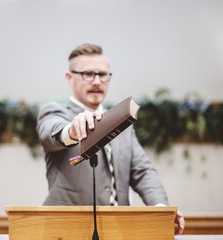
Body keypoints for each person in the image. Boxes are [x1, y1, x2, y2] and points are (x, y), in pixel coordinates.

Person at [36, 43, 185, 234]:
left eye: (103, 74)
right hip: (68, 230)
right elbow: (51, 133)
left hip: (119, 231)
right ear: (70, 77)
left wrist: (160, 210)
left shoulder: (121, 122)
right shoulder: (55, 112)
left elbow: (142, 171)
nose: (97, 81)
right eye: (88, 74)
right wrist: (72, 131)